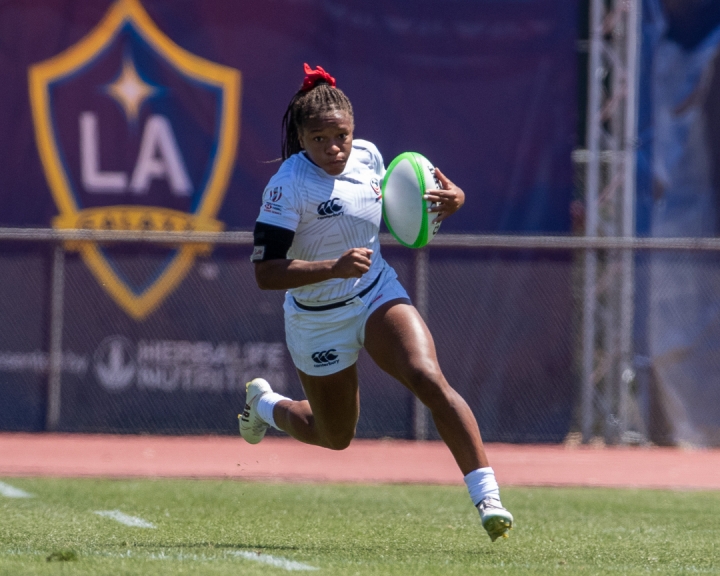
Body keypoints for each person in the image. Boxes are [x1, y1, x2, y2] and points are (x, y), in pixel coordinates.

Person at [240, 63, 513, 541]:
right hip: (317, 319)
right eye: (319, 138)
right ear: (302, 139)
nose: (333, 147)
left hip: (374, 292)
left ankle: (488, 497)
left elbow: (402, 206)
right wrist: (332, 267)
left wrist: (454, 199)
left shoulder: (368, 157)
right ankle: (266, 405)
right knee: (334, 435)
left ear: (354, 130)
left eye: (340, 135)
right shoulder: (286, 186)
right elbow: (265, 273)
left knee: (428, 377)